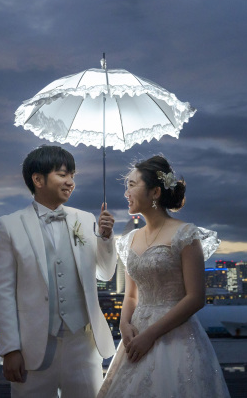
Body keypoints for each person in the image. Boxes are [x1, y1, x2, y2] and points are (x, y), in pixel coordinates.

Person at [97, 155, 230, 398]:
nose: (126, 192)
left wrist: (149, 336)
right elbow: (131, 296)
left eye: (132, 185)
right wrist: (124, 324)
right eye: (126, 185)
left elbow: (196, 297)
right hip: (135, 337)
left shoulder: (185, 234)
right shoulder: (128, 240)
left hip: (175, 336)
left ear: (155, 192)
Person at [0, 145, 117, 397]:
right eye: (62, 174)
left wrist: (105, 238)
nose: (70, 182)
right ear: (38, 179)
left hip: (83, 343)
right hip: (31, 346)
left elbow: (105, 273)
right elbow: (3, 293)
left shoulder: (86, 219)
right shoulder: (9, 225)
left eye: (72, 175)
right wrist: (9, 349)